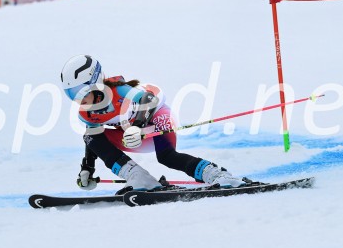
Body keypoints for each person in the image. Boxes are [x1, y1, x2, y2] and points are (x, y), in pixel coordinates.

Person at [60, 54, 249, 191]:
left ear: (96, 82)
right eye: (71, 94)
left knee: (167, 157)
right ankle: (139, 178)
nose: (78, 99)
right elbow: (93, 142)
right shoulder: (86, 113)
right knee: (91, 136)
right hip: (134, 136)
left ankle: (217, 175)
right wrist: (87, 168)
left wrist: (136, 126)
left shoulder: (119, 91)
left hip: (157, 118)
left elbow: (149, 99)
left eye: (80, 91)